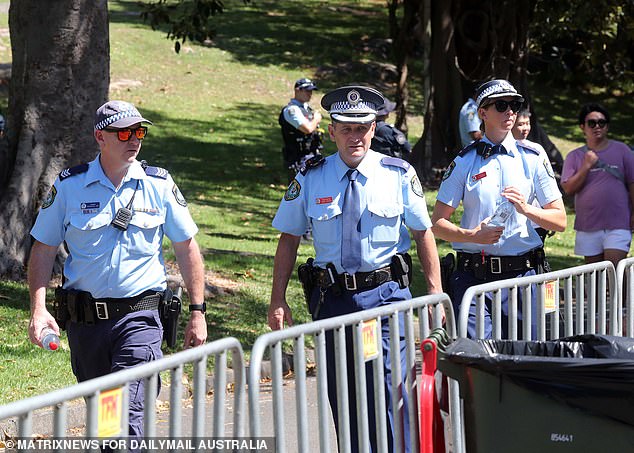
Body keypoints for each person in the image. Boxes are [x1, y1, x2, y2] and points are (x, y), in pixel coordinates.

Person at [268, 85, 441, 452]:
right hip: (332, 302)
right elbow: (289, 239)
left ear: (374, 129)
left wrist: (434, 292)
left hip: (384, 298)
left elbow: (423, 232)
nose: (354, 136)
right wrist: (277, 299)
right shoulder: (311, 177)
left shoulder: (397, 173)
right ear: (331, 132)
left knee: (388, 389)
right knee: (343, 395)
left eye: (362, 128)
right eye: (346, 128)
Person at [27, 100, 208, 439]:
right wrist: (37, 310)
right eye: (124, 132)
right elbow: (43, 248)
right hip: (86, 327)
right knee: (107, 425)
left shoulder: (159, 184)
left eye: (140, 131)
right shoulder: (70, 187)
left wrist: (198, 311)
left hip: (138, 321)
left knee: (124, 418)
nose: (134, 140)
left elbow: (186, 247)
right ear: (100, 137)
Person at [431, 79, 566, 339]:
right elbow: (438, 224)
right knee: (478, 362)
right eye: (501, 105)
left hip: (522, 278)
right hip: (474, 279)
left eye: (514, 105)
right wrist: (472, 236)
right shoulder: (464, 161)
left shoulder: (534, 156)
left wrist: (527, 209)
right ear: (483, 113)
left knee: (526, 361)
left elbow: (560, 221)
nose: (510, 112)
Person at [561, 103, 634, 268]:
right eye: (592, 123)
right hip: (588, 226)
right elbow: (569, 189)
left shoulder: (622, 150)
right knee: (595, 279)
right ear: (582, 127)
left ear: (607, 126)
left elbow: (632, 182)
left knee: (616, 272)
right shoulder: (574, 156)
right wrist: (586, 166)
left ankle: (621, 295)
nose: (597, 126)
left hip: (619, 224)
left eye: (602, 122)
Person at [511, 107, 551, 245]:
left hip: (535, 218)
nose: (525, 128)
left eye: (527, 123)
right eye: (520, 124)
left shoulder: (536, 150)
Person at [279, 77, 324, 181]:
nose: (310, 93)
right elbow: (307, 129)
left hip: (311, 155)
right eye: (307, 90)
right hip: (298, 159)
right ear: (297, 90)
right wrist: (316, 119)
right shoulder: (292, 110)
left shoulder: (306, 109)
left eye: (311, 91)